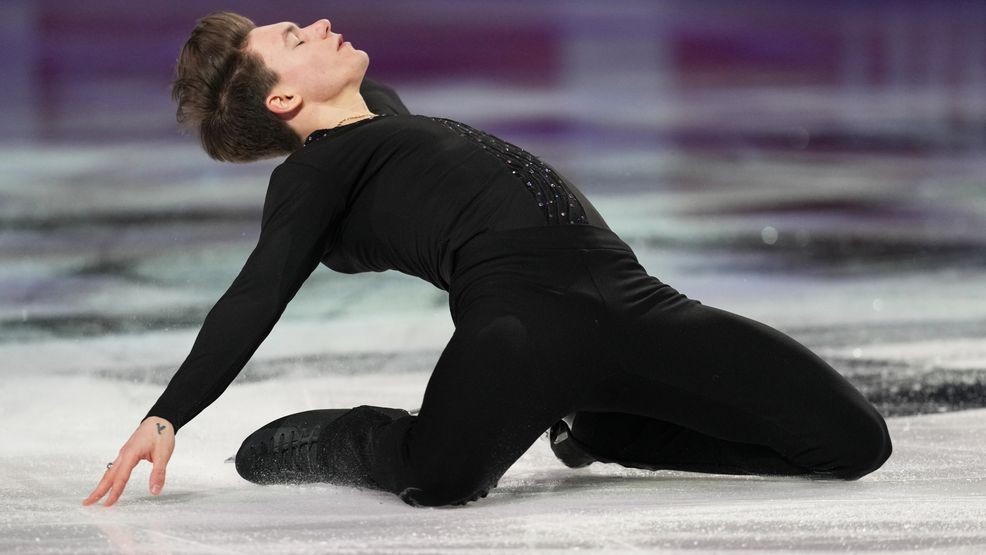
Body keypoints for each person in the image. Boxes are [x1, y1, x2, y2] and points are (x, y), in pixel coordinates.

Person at [83, 12, 893, 509]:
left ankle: (606, 429)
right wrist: (167, 415)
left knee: (853, 444)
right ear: (284, 101)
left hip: (639, 300)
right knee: (442, 480)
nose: (320, 23)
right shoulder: (314, 172)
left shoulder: (383, 114)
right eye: (295, 38)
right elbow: (257, 291)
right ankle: (327, 442)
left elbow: (343, 103)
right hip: (519, 327)